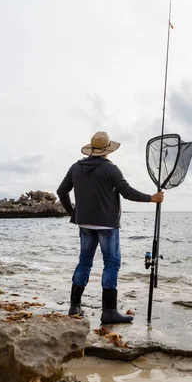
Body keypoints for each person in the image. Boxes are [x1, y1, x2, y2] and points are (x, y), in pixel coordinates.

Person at [57, 131, 164, 324]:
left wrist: (73, 213)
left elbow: (61, 191)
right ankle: (109, 311)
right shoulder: (110, 169)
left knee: (84, 262)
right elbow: (127, 192)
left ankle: (74, 307)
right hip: (107, 224)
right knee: (112, 264)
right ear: (107, 150)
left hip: (85, 223)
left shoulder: (75, 167)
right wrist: (151, 198)